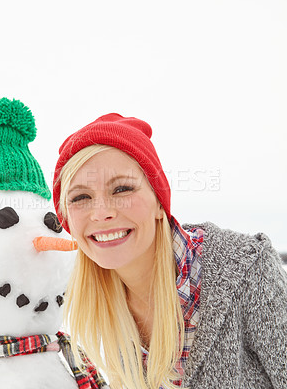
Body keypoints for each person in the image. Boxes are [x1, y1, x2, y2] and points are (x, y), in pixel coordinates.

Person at [52, 113, 287, 389]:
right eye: (81, 197)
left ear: (160, 203)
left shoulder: (245, 268)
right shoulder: (94, 308)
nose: (101, 213)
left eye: (122, 189)